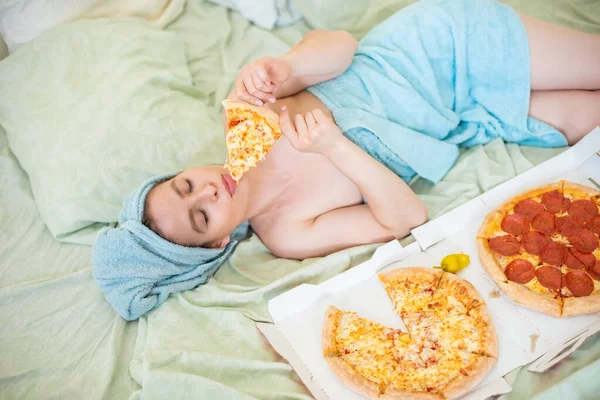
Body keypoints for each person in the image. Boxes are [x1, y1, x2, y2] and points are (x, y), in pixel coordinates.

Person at [143, 0, 600, 260]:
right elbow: (405, 218)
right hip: (463, 121)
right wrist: (334, 147)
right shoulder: (288, 234)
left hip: (436, 52)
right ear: (220, 241)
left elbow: (343, 46)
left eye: (186, 185)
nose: (208, 192)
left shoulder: (247, 113)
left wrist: (287, 66)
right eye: (201, 217)